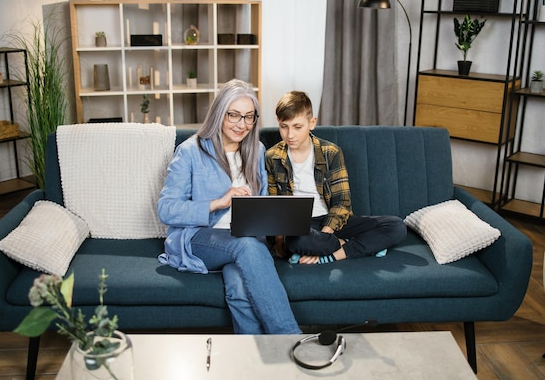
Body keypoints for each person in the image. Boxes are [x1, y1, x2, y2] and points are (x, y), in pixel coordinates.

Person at [157, 79, 300, 334]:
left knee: (240, 287)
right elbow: (166, 209)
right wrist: (219, 202)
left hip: (244, 241)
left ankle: (251, 362)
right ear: (219, 113)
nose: (242, 124)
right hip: (199, 237)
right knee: (246, 246)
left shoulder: (256, 150)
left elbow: (262, 201)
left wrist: (277, 217)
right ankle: (290, 338)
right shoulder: (190, 151)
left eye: (249, 117)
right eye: (234, 115)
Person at [265, 91, 407, 265]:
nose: (290, 135)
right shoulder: (272, 157)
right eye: (283, 126)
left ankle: (335, 253)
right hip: (301, 227)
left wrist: (326, 234)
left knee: (396, 226)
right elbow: (275, 205)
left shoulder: (330, 152)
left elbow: (342, 204)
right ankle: (356, 245)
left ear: (312, 123)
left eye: (297, 127)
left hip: (333, 222)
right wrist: (280, 242)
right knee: (296, 241)